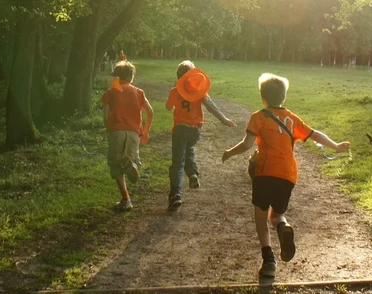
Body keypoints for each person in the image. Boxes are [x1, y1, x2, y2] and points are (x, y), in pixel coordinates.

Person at [221, 73, 350, 278]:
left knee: (261, 217)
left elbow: (247, 145)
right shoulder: (291, 118)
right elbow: (315, 134)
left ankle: (269, 261)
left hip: (264, 173)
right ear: (284, 97)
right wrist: (335, 146)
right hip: (287, 174)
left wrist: (229, 152)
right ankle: (283, 227)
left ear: (263, 97)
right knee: (277, 214)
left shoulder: (258, 116)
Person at [165, 60, 236, 211]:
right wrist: (224, 119)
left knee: (177, 163)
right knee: (189, 149)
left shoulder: (174, 91)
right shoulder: (198, 92)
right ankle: (192, 174)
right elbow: (211, 107)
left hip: (179, 130)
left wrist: (174, 102)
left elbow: (168, 107)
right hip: (195, 131)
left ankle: (176, 194)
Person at [101, 60, 153, 211]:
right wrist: (145, 132)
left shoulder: (110, 92)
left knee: (116, 165)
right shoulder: (139, 92)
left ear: (116, 77)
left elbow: (105, 116)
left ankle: (126, 199)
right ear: (131, 77)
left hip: (116, 131)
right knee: (133, 158)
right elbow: (150, 112)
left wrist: (109, 128)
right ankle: (133, 165)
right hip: (133, 133)